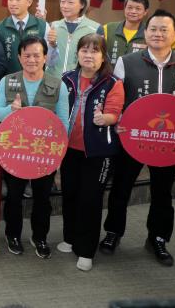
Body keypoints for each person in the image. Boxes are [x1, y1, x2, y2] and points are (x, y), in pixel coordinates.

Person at [99, 9, 175, 266]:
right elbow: (116, 98)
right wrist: (118, 121)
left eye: (164, 29)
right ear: (145, 33)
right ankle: (113, 232)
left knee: (162, 192)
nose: (158, 34)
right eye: (153, 29)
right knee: (121, 188)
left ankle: (158, 238)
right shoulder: (127, 61)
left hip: (169, 139)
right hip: (132, 136)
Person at [0, 36, 69, 259]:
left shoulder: (58, 85)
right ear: (19, 57)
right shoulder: (8, 81)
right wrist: (11, 110)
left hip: (43, 152)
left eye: (37, 55)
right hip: (14, 150)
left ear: (45, 57)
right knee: (14, 196)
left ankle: (40, 237)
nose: (32, 60)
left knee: (42, 198)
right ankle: (13, 235)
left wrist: (57, 156)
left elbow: (63, 123)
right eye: (27, 55)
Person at [59, 34, 124, 271]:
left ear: (103, 56)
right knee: (70, 194)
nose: (88, 55)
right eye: (84, 50)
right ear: (77, 53)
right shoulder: (66, 78)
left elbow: (114, 113)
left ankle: (86, 250)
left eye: (94, 51)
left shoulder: (112, 83)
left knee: (90, 199)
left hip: (98, 151)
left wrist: (105, 118)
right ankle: (69, 238)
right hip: (68, 149)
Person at [97, 0, 175, 66]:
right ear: (124, 9)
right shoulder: (107, 28)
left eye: (138, 8)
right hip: (111, 83)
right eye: (129, 7)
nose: (133, 11)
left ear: (145, 12)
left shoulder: (152, 32)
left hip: (138, 81)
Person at [0, 0, 58, 74]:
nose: (13, 3)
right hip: (9, 80)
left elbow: (50, 62)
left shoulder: (42, 26)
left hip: (36, 79)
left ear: (29, 2)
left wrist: (53, 45)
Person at [46, 0, 101, 77]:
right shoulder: (53, 26)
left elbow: (99, 60)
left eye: (70, 2)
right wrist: (51, 45)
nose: (65, 6)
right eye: (62, 1)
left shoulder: (95, 28)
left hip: (79, 81)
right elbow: (45, 60)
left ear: (82, 4)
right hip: (53, 80)